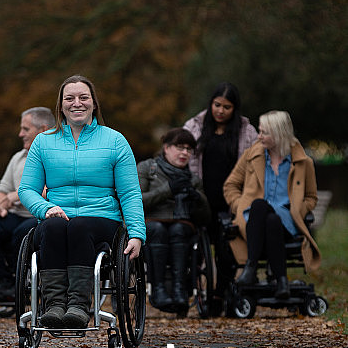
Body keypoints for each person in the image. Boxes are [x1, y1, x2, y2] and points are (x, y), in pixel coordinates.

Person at [18, 74, 146, 329]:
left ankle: (78, 305)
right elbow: (27, 189)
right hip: (57, 216)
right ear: (61, 105)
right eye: (70, 98)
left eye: (83, 97)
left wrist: (136, 234)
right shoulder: (43, 142)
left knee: (79, 226)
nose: (77, 103)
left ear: (94, 103)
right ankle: (54, 305)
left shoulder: (115, 141)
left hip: (102, 220)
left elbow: (130, 193)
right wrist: (45, 208)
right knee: (53, 226)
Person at [223, 110, 320, 299]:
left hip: (287, 221)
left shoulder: (303, 163)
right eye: (259, 131)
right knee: (264, 212)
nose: (259, 136)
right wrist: (239, 205)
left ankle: (251, 268)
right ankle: (282, 282)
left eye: (264, 132)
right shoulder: (251, 156)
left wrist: (300, 210)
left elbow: (311, 197)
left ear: (279, 134)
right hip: (252, 222)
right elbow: (230, 186)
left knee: (268, 214)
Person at [184, 82, 257, 311]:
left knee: (227, 250)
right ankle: (193, 292)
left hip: (232, 200)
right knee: (196, 248)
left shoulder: (247, 132)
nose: (220, 111)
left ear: (234, 108)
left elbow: (255, 165)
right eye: (217, 105)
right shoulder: (194, 127)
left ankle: (220, 294)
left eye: (226, 107)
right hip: (202, 199)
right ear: (211, 104)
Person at [0, 106, 55, 300]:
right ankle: (3, 283)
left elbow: (50, 189)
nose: (20, 134)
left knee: (22, 232)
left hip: (42, 216)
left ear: (43, 129)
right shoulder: (18, 158)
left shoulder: (55, 156)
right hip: (15, 215)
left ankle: (21, 282)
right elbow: (2, 187)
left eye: (26, 129)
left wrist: (13, 197)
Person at [137, 128, 211, 314]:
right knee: (158, 229)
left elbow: (205, 218)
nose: (184, 153)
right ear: (166, 147)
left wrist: (197, 198)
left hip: (182, 224)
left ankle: (180, 290)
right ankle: (158, 289)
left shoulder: (193, 179)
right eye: (180, 147)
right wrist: (168, 190)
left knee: (179, 229)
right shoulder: (147, 168)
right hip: (152, 223)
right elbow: (137, 201)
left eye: (189, 149)